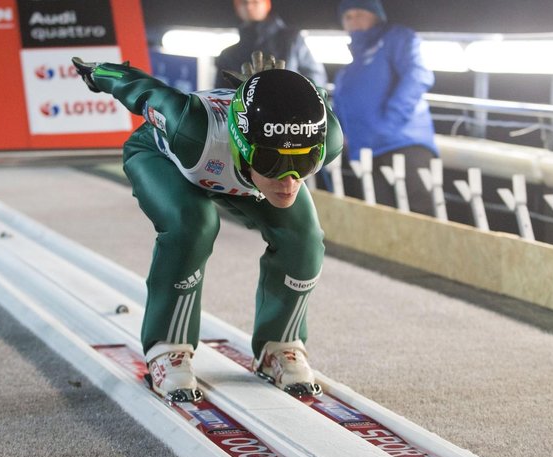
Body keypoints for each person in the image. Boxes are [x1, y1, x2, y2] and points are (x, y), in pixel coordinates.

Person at [72, 55, 342, 402]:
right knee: (193, 225)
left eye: (305, 162)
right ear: (241, 147)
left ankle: (281, 343)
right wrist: (98, 73)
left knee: (304, 239)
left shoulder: (326, 136)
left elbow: (307, 95)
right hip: (167, 159)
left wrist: (274, 84)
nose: (289, 181)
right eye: (271, 160)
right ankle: (168, 348)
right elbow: (144, 91)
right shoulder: (193, 128)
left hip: (245, 178)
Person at [334, 0, 439, 216]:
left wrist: (388, 122)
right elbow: (340, 107)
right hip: (365, 153)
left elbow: (418, 76)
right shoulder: (347, 71)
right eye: (348, 16)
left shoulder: (398, 37)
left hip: (405, 145)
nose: (354, 21)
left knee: (422, 218)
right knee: (380, 220)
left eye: (360, 13)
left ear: (376, 15)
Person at [215, 0, 327, 88]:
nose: (249, 6)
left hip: (291, 114)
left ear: (267, 4)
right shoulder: (228, 55)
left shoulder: (292, 40)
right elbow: (219, 96)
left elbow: (316, 78)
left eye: (255, 1)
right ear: (236, 7)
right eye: (244, 2)